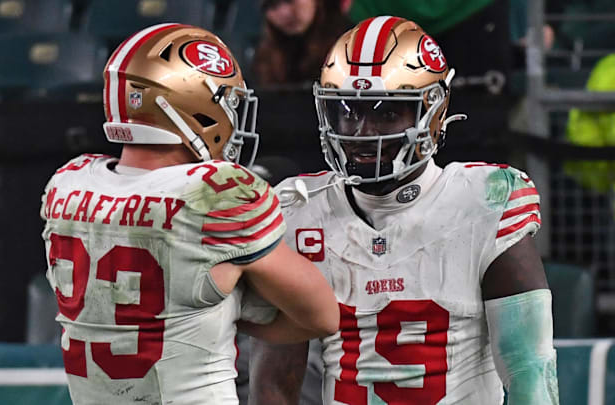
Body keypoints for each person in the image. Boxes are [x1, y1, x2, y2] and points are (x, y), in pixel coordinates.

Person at [249, 17, 560, 405]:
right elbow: (274, 384)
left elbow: (529, 369)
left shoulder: (485, 201)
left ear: (432, 112)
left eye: (385, 113)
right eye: (349, 111)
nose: (361, 131)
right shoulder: (297, 210)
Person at [39, 24, 339, 405]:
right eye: (226, 103)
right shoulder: (215, 193)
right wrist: (236, 315)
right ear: (191, 105)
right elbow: (322, 315)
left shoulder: (68, 184)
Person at [252, 0, 352, 87]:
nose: (284, 13)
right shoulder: (265, 56)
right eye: (271, 5)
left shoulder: (351, 45)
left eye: (290, 0)